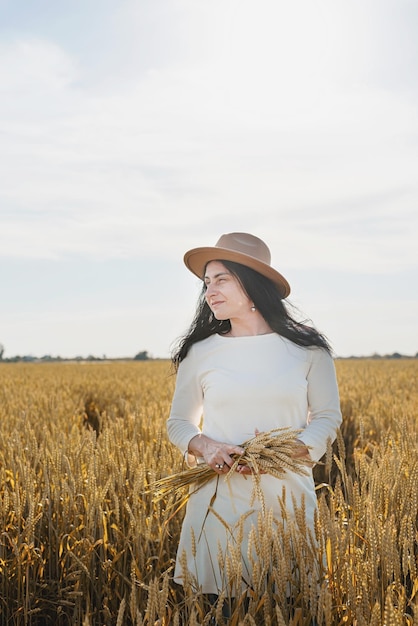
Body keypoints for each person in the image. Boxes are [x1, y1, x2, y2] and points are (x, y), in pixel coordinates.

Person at [166, 232, 342, 607]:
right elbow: (179, 423)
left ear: (252, 284)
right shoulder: (200, 352)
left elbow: (328, 416)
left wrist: (288, 450)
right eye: (206, 283)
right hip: (217, 502)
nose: (210, 291)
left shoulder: (307, 349)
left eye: (221, 280)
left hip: (286, 500)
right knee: (220, 608)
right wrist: (207, 447)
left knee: (293, 608)